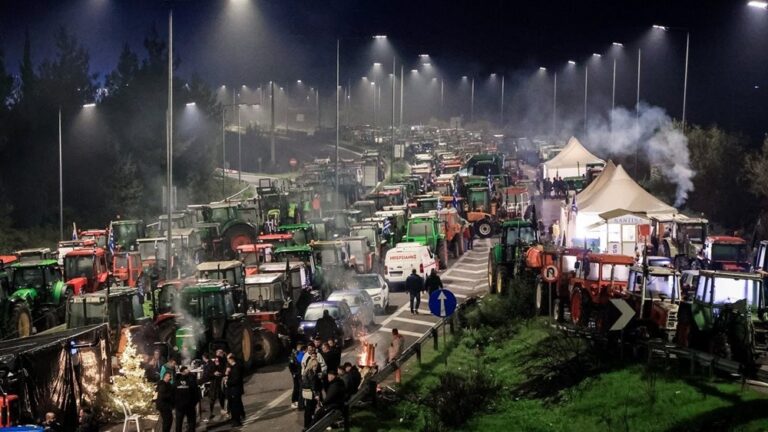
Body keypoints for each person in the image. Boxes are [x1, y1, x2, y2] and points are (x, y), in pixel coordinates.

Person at [301, 348, 323, 431]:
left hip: (307, 393)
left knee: (308, 410)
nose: (315, 367)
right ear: (311, 365)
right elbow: (313, 385)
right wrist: (316, 395)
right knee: (310, 409)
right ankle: (309, 425)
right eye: (314, 366)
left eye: (316, 366)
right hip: (311, 394)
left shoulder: (306, 372)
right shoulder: (311, 373)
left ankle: (307, 425)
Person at [174, 365, 201, 432]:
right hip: (189, 406)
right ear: (183, 372)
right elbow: (195, 393)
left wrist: (175, 405)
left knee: (179, 423)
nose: (188, 371)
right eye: (187, 370)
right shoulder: (191, 381)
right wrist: (193, 403)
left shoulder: (176, 382)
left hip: (180, 407)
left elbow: (172, 395)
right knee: (191, 422)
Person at [226, 354, 246, 426]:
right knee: (234, 405)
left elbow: (236, 380)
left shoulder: (236, 367)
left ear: (231, 359)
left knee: (235, 406)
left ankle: (237, 421)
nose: (227, 361)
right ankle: (235, 419)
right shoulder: (233, 367)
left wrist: (227, 382)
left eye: (228, 359)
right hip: (233, 390)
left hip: (235, 390)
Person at [289, 343, 306, 409]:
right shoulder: (294, 356)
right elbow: (291, 366)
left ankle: (298, 401)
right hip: (296, 374)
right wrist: (293, 373)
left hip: (299, 374)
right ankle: (294, 401)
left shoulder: (300, 354)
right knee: (296, 388)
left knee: (299, 388)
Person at [212, 349, 227, 417]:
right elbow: (219, 367)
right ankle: (223, 408)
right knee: (221, 394)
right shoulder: (221, 358)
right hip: (221, 377)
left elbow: (218, 367)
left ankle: (223, 408)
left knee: (221, 394)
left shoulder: (218, 358)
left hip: (220, 378)